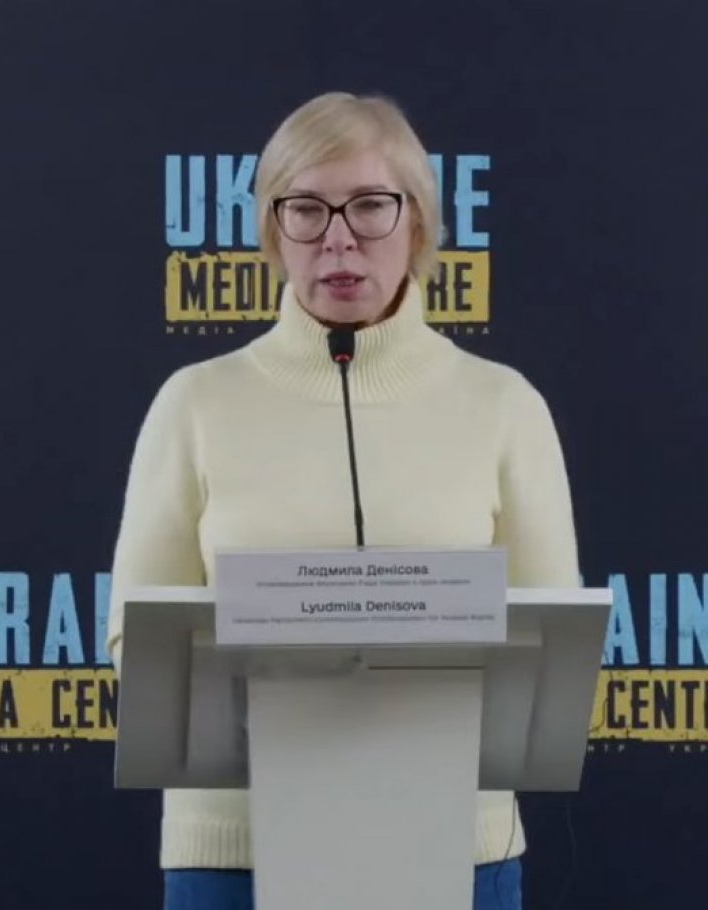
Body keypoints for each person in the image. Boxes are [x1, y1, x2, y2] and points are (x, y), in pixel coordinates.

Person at [108, 91, 579, 910]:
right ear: (273, 231)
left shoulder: (506, 405)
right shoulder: (195, 403)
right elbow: (135, 640)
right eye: (305, 210)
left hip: (454, 847)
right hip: (236, 855)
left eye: (368, 205)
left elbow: (552, 652)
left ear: (417, 223)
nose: (337, 238)